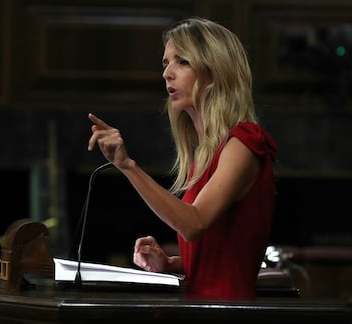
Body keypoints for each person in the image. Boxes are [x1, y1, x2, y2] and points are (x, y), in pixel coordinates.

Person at [87, 17, 278, 301]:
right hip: (199, 308)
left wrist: (127, 166)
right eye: (165, 63)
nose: (167, 73)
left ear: (215, 71)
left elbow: (194, 223)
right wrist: (169, 263)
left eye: (182, 62)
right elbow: (221, 256)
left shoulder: (244, 143)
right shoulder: (207, 152)